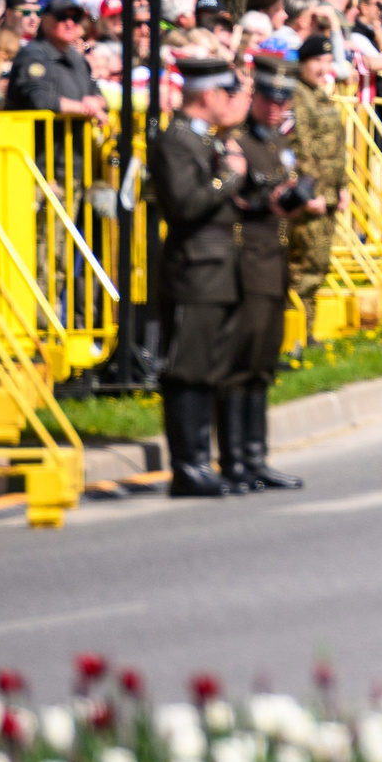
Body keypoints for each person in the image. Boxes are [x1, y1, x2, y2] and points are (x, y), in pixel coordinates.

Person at [151, 53, 255, 497]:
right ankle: (188, 464)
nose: (230, 102)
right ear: (209, 95)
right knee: (189, 369)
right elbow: (185, 203)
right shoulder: (174, 140)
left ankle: (201, 461)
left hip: (217, 269)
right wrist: (230, 180)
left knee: (209, 367)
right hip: (195, 268)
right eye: (226, 94)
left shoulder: (203, 138)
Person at [222, 60, 306, 492]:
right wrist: (265, 204)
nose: (275, 109)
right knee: (242, 361)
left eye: (282, 101)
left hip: (274, 260)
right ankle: (234, 460)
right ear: (253, 99)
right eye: (268, 100)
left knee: (263, 364)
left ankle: (257, 457)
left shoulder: (276, 142)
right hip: (247, 261)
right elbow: (234, 200)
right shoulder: (235, 142)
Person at [284, 36, 350, 347]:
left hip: (329, 194)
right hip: (313, 196)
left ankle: (305, 332)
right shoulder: (299, 96)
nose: (323, 68)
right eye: (317, 62)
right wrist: (308, 193)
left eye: (326, 62)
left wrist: (344, 187)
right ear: (303, 63)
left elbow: (335, 147)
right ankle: (295, 334)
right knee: (304, 265)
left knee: (317, 263)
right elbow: (301, 147)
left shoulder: (318, 95)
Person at [4, 0, 107, 119]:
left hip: (75, 136)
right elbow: (39, 99)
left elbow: (97, 92)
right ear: (45, 20)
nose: (69, 23)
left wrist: (96, 102)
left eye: (75, 18)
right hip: (39, 136)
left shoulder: (77, 58)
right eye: (61, 17)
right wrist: (83, 108)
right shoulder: (32, 54)